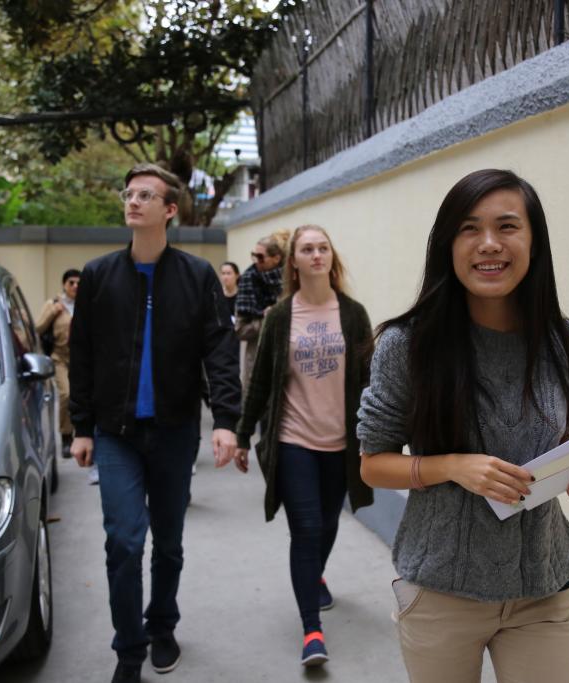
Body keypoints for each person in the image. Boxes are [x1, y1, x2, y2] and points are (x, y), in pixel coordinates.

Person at [357, 169, 569, 683]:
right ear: (448, 244)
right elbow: (373, 466)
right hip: (442, 590)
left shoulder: (567, 345)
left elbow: (560, 443)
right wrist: (453, 466)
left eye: (507, 226)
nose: (489, 243)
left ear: (534, 241)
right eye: (470, 228)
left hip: (542, 584)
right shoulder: (408, 347)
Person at [69, 162, 241, 683]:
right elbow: (82, 355)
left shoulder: (196, 276)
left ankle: (162, 623)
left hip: (172, 432)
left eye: (146, 194)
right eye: (128, 193)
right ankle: (129, 651)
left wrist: (226, 420)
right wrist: (80, 426)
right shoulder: (99, 275)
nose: (133, 201)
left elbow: (219, 350)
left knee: (168, 542)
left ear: (169, 210)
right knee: (124, 540)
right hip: (116, 434)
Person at [233, 225, 374, 668]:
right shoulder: (280, 316)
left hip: (340, 444)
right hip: (294, 439)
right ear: (293, 261)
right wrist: (241, 433)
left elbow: (370, 383)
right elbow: (261, 384)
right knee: (307, 528)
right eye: (306, 249)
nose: (316, 255)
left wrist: (381, 437)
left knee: (329, 522)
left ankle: (314, 576)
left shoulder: (352, 314)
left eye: (323, 248)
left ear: (332, 257)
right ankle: (312, 629)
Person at [35, 268, 80, 460]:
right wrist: (53, 312)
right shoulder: (53, 304)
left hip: (80, 358)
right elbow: (38, 328)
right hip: (59, 358)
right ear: (64, 284)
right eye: (71, 283)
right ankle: (66, 436)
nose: (75, 287)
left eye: (79, 283)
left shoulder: (86, 303)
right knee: (66, 395)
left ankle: (84, 435)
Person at [234, 233, 285, 394]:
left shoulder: (291, 280)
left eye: (260, 256)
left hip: (287, 359)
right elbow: (240, 330)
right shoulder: (248, 280)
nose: (255, 260)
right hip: (258, 359)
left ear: (276, 258)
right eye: (253, 255)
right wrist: (266, 319)